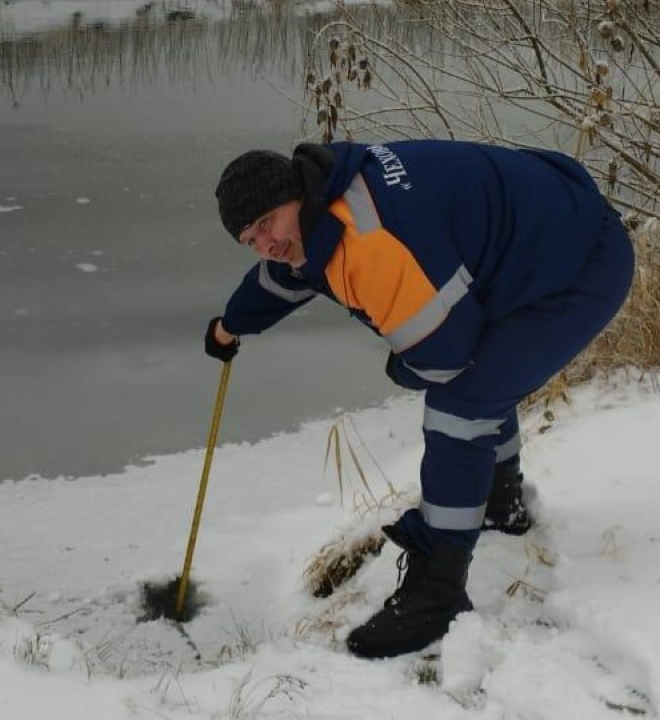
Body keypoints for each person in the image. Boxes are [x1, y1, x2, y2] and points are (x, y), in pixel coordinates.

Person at [203, 140, 634, 659]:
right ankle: (501, 504)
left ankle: (438, 592)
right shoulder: (326, 201)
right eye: (251, 239)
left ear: (293, 193)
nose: (265, 244)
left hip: (577, 266)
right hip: (546, 226)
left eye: (267, 224)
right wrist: (230, 326)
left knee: (460, 404)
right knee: (481, 377)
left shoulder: (368, 243)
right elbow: (286, 276)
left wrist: (398, 368)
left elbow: (441, 360)